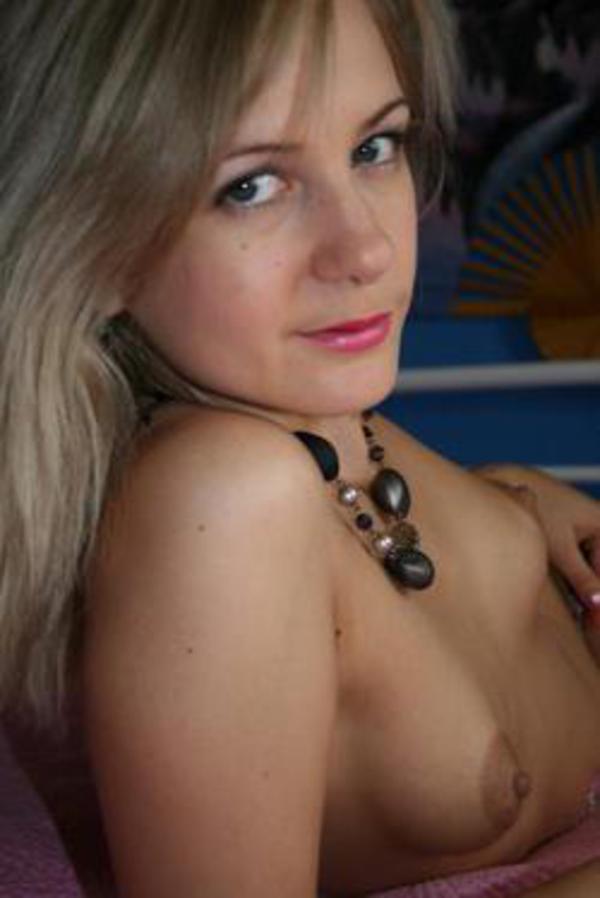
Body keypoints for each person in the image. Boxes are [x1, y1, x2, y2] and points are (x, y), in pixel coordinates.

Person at [0, 1, 599, 896]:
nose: (366, 248)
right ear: (92, 244)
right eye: (251, 186)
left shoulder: (330, 429)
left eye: (375, 147)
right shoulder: (222, 497)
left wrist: (512, 502)